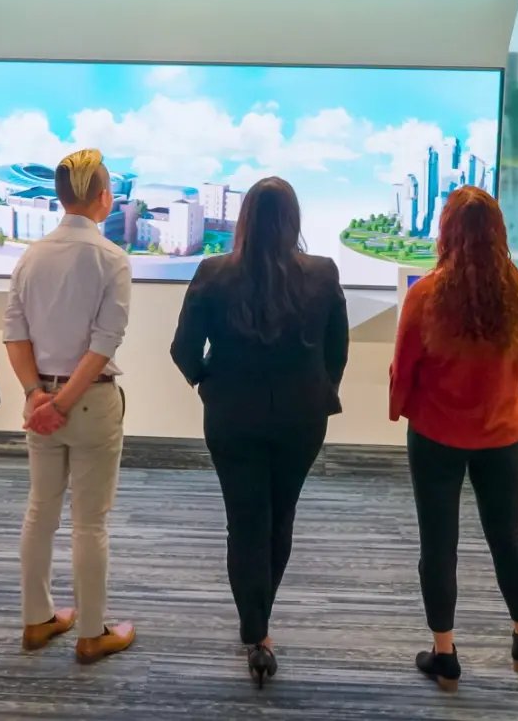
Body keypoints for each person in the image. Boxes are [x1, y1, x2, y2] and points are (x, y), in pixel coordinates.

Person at [170, 177, 349, 688]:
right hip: (302, 417)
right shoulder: (322, 273)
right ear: (293, 220)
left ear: (243, 219)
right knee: (280, 514)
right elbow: (337, 349)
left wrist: (210, 382)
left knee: (244, 520)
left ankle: (256, 629)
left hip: (232, 417)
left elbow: (184, 350)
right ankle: (260, 619)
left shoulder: (213, 272)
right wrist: (319, 388)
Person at [390, 185, 518, 692]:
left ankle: (445, 652)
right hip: (502, 434)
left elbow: (405, 367)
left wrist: (402, 409)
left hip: (436, 434)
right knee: (508, 538)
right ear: (498, 233)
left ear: (446, 233)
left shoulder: (426, 294)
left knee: (439, 544)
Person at [5, 149, 135, 665]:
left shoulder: (30, 256)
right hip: (90, 403)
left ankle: (37, 620)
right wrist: (62, 401)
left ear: (60, 198)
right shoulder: (111, 258)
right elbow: (104, 344)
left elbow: (14, 334)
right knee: (90, 522)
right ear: (105, 198)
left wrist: (38, 397)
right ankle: (92, 631)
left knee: (40, 512)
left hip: (41, 405)